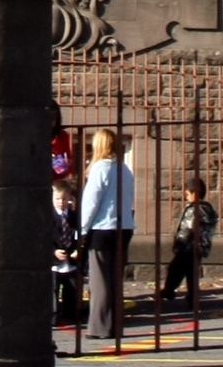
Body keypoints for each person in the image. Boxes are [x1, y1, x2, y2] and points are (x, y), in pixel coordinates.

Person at [79, 128, 136, 342]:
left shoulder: (99, 168)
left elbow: (91, 202)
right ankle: (116, 324)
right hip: (124, 227)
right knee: (115, 279)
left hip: (103, 228)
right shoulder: (125, 169)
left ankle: (99, 326)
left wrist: (82, 230)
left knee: (100, 280)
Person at [154, 176, 217, 310]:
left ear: (194, 193)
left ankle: (169, 290)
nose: (186, 197)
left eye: (188, 194)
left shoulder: (194, 210)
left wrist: (179, 244)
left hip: (188, 246)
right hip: (200, 247)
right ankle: (192, 298)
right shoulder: (208, 210)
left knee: (175, 268)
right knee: (191, 274)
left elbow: (188, 228)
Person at [50, 180, 85, 325]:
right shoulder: (48, 217)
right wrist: (53, 251)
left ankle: (71, 313)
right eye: (57, 199)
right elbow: (44, 237)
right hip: (55, 260)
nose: (61, 202)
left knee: (72, 287)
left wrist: (78, 249)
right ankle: (53, 315)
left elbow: (80, 235)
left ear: (69, 197)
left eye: (64, 199)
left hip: (71, 259)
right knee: (53, 289)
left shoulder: (74, 216)